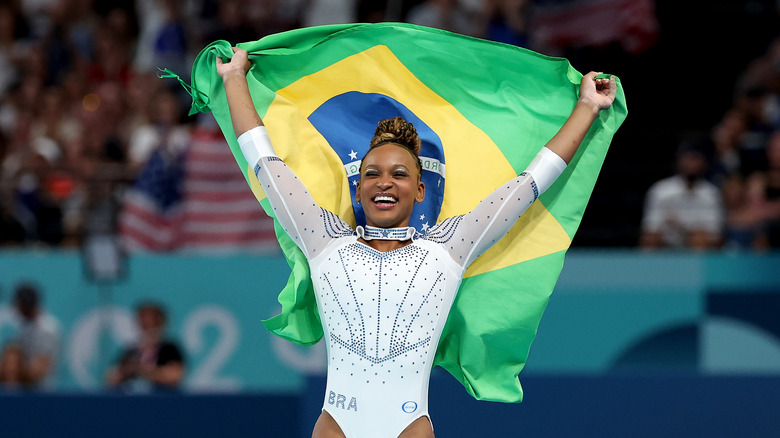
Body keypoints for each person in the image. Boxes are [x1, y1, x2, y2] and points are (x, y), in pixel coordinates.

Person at [217, 47, 616, 438]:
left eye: (399, 174)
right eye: (371, 173)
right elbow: (263, 160)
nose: (384, 182)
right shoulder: (322, 240)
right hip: (335, 425)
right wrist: (234, 77)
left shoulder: (449, 248)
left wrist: (586, 107)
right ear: (358, 191)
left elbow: (529, 184)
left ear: (420, 190)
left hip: (409, 427)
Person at [640, 140, 725, 250]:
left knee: (700, 239)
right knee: (650, 240)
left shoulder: (712, 194)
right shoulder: (660, 190)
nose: (690, 164)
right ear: (679, 161)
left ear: (703, 162)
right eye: (686, 159)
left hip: (696, 245)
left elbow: (714, 235)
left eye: (694, 159)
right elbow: (650, 229)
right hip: (666, 243)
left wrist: (682, 228)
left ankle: (695, 267)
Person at [105, 301, 185, 392]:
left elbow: (175, 376)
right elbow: (110, 378)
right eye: (143, 319)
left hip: (162, 398)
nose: (148, 323)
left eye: (153, 320)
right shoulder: (131, 350)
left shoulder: (169, 349)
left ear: (161, 322)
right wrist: (127, 371)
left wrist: (144, 371)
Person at [0, 282, 61, 389]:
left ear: (26, 305)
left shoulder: (48, 329)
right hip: (25, 390)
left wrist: (14, 369)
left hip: (41, 393)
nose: (16, 308)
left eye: (18, 304)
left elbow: (40, 370)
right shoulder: (24, 326)